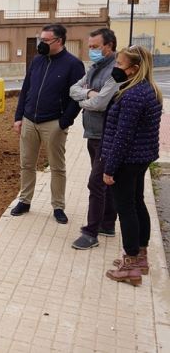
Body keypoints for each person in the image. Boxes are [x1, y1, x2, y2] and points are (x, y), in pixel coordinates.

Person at [102, 45, 162, 286]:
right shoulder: (149, 90)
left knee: (125, 209)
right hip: (141, 157)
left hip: (127, 160)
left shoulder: (133, 95)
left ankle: (130, 266)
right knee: (137, 203)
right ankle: (140, 259)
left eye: (120, 65)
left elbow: (122, 137)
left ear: (134, 69)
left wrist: (110, 168)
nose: (116, 68)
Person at [12, 24, 84, 224]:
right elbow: (25, 89)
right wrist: (19, 117)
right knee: (26, 164)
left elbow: (76, 98)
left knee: (57, 167)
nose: (41, 44)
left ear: (59, 41)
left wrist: (63, 122)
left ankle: (58, 206)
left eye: (45, 40)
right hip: (29, 121)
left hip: (53, 123)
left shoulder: (73, 64)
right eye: (40, 39)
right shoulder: (36, 61)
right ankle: (25, 201)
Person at [69, 28, 120, 249]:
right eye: (89, 47)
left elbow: (101, 104)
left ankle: (91, 233)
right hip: (93, 133)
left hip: (107, 135)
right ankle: (108, 224)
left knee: (96, 183)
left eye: (95, 47)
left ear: (109, 46)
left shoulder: (116, 71)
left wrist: (85, 100)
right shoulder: (94, 68)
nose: (91, 51)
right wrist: (89, 94)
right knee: (103, 183)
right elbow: (73, 89)